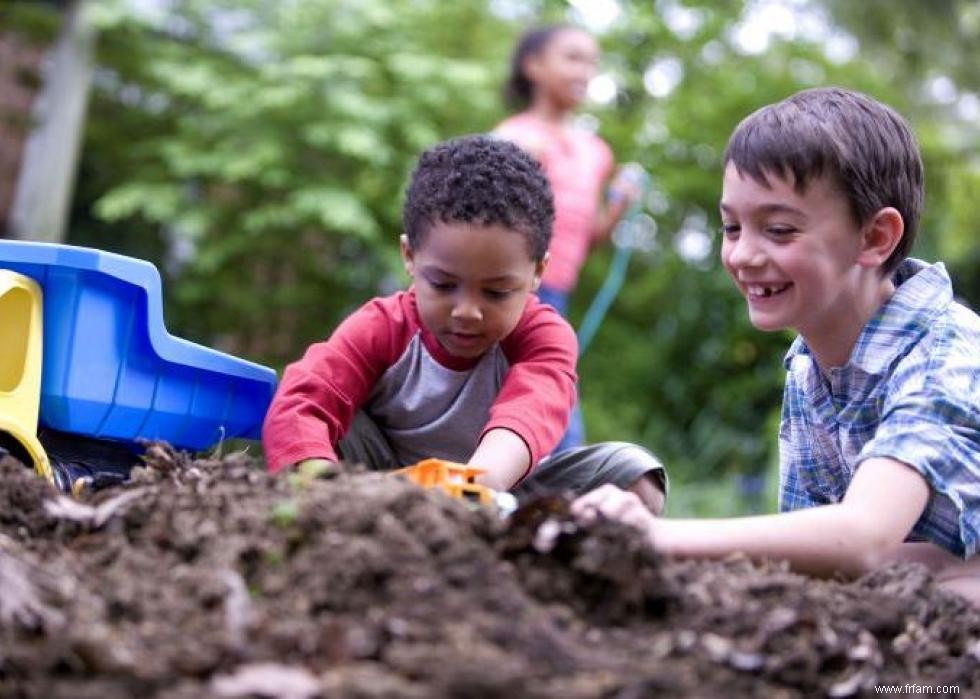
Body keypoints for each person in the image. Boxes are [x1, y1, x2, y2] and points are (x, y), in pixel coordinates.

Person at [572, 87, 980, 604]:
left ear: (875, 238)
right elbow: (812, 550)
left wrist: (655, 536)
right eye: (731, 227)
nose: (743, 254)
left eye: (779, 230)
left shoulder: (946, 353)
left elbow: (861, 538)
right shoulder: (810, 365)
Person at [263, 135, 667, 512]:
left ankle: (540, 563)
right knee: (325, 416)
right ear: (409, 257)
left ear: (537, 273)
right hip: (375, 488)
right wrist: (322, 491)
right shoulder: (382, 326)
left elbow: (529, 412)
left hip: (499, 496)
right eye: (443, 284)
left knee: (635, 474)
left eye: (496, 293)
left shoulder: (544, 336)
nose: (467, 311)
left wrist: (471, 489)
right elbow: (302, 402)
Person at [494, 24, 640, 452]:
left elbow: (586, 239)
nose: (586, 70)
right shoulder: (512, 136)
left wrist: (618, 207)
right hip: (508, 288)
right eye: (573, 57)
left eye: (592, 62)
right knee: (551, 402)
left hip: (555, 291)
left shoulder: (596, 152)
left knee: (540, 395)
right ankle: (570, 489)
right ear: (533, 66)